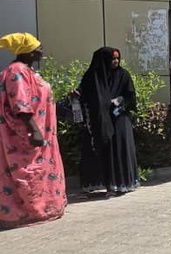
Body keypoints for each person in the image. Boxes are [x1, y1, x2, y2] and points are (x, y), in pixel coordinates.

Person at [0, 33, 66, 229]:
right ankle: (26, 212)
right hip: (24, 137)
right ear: (27, 52)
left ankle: (43, 208)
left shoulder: (27, 70)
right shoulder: (16, 72)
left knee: (38, 171)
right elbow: (21, 105)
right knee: (27, 172)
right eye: (38, 48)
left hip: (40, 133)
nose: (41, 51)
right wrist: (35, 131)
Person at [75, 47, 139, 195]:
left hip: (118, 119)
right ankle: (100, 184)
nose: (116, 61)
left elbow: (129, 95)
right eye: (112, 59)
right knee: (98, 151)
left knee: (118, 150)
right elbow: (84, 94)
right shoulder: (92, 77)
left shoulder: (123, 75)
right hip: (99, 121)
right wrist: (76, 95)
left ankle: (119, 184)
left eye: (117, 58)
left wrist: (118, 101)